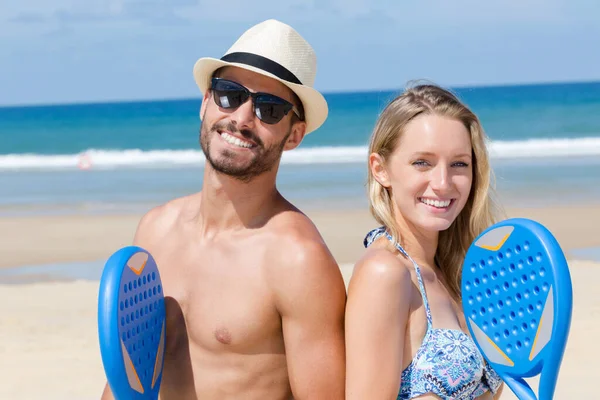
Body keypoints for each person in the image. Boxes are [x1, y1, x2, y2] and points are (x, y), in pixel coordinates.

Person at [100, 19, 346, 400]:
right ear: (205, 103)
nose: (242, 118)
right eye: (229, 94)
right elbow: (127, 378)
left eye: (269, 108)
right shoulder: (156, 229)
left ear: (294, 134)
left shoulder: (297, 260)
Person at [344, 83, 506, 399]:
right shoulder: (385, 273)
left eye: (459, 163)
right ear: (381, 170)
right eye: (423, 162)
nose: (443, 183)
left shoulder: (457, 273)